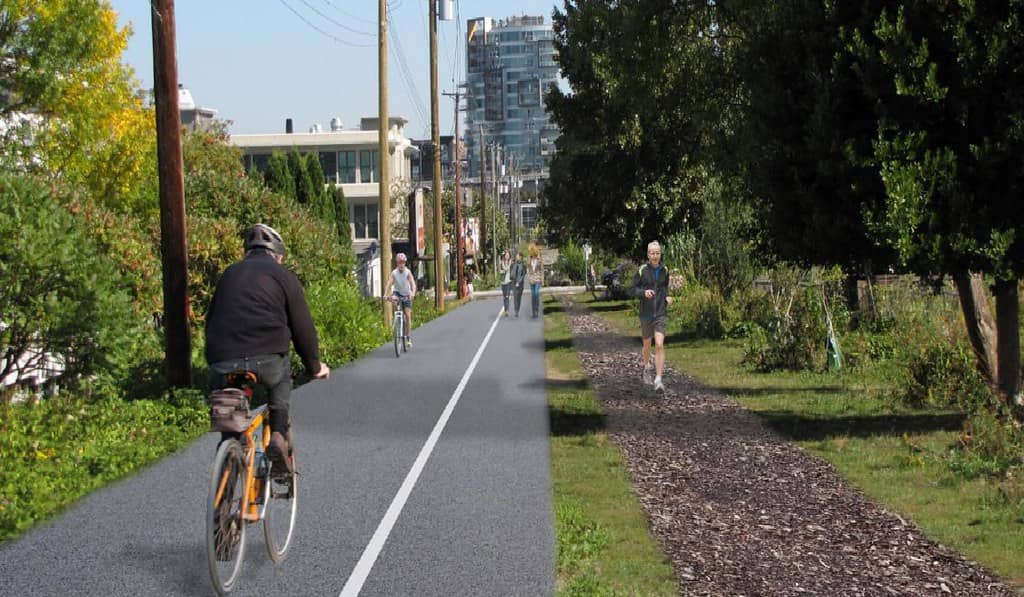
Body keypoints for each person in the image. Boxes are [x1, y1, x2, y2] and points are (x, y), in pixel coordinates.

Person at [206, 223, 330, 475]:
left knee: (231, 424)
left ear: (246, 253)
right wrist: (314, 366)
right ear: (278, 255)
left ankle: (229, 461)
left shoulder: (229, 274)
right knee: (282, 377)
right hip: (268, 359)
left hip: (222, 359)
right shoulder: (283, 276)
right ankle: (278, 436)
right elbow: (303, 328)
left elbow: (210, 321)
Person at [630, 240, 673, 392]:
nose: (655, 256)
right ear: (648, 255)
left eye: (657, 253)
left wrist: (667, 297)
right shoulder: (642, 270)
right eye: (652, 253)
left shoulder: (665, 270)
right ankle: (646, 367)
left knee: (660, 344)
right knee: (647, 344)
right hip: (646, 314)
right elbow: (631, 290)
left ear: (660, 254)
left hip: (660, 313)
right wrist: (644, 293)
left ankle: (659, 379)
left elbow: (664, 288)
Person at [384, 252, 417, 346]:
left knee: (407, 315)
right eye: (399, 262)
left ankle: (408, 337)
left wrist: (413, 293)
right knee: (394, 300)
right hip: (397, 293)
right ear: (397, 263)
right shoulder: (394, 273)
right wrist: (386, 294)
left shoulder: (407, 272)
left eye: (403, 262)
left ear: (405, 263)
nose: (401, 264)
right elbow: (389, 284)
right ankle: (398, 321)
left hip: (407, 294)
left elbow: (413, 284)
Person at [526, 243, 544, 318]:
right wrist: (528, 275)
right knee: (533, 296)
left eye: (530, 251)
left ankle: (537, 309)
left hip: (538, 279)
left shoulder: (539, 259)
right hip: (531, 280)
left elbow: (542, 270)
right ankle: (534, 311)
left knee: (536, 293)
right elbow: (528, 268)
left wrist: (542, 280)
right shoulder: (529, 258)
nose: (529, 252)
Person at [509, 251, 527, 317]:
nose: (517, 257)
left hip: (520, 283)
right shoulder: (513, 264)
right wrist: (513, 280)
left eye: (518, 256)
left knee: (519, 298)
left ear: (521, 257)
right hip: (514, 283)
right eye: (516, 256)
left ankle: (517, 309)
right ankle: (516, 311)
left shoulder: (523, 265)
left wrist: (518, 282)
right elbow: (511, 273)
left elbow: (523, 274)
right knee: (515, 297)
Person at [499, 250, 513, 316]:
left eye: (508, 255)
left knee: (507, 296)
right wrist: (502, 271)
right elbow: (500, 270)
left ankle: (507, 310)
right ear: (504, 256)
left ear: (509, 256)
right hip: (503, 282)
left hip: (509, 282)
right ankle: (505, 310)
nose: (507, 256)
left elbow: (508, 269)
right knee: (504, 297)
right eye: (506, 255)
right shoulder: (501, 262)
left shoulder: (511, 262)